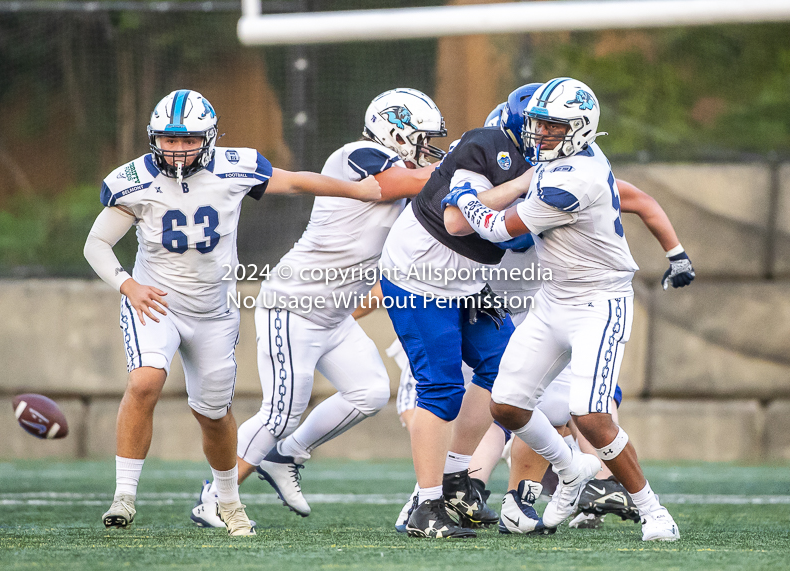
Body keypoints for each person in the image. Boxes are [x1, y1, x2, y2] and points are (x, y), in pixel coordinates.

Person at [83, 89, 381, 536]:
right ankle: (124, 496)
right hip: (156, 302)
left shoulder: (235, 165)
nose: (178, 149)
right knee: (145, 380)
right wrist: (129, 285)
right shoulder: (134, 180)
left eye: (188, 140)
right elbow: (96, 243)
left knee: (214, 414)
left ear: (210, 138)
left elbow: (298, 180)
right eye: (169, 139)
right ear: (153, 138)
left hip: (214, 312)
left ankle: (226, 500)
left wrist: (358, 190)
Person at [442, 77, 694, 541]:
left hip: (599, 300)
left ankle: (654, 511)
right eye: (538, 125)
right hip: (555, 297)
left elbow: (498, 228)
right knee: (507, 406)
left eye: (552, 128)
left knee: (590, 414)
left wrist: (464, 198)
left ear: (579, 129)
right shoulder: (562, 160)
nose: (540, 136)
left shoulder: (574, 179)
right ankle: (572, 470)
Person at [187, 88, 447, 526]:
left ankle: (285, 455)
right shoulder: (357, 154)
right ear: (396, 131)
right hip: (295, 304)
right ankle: (215, 497)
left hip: (333, 314)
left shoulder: (412, 176)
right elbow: (391, 184)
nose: (429, 150)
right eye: (422, 139)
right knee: (280, 411)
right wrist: (461, 168)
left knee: (369, 391)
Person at [378, 83, 550, 539]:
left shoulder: (558, 164)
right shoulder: (487, 145)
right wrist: (520, 190)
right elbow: (457, 220)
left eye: (560, 127)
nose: (550, 135)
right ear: (519, 124)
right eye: (543, 125)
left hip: (466, 281)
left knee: (509, 370)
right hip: (418, 277)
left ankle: (457, 478)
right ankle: (426, 506)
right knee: (442, 389)